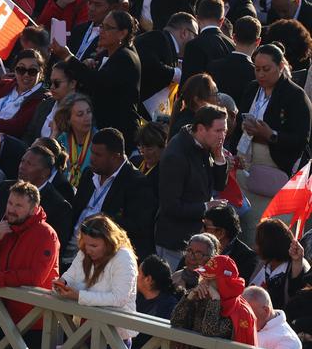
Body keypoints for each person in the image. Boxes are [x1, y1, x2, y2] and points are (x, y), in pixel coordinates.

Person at [0, 180, 61, 349]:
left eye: (19, 206)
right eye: (10, 204)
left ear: (34, 209)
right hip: (6, 315)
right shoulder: (6, 227)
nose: (11, 210)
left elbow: (36, 278)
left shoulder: (46, 234)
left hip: (37, 322)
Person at [236, 44, 312, 236]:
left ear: (280, 66)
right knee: (247, 222)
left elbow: (300, 139)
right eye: (257, 69)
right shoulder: (252, 88)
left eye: (266, 69)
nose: (261, 74)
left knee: (273, 226)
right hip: (247, 159)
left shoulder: (295, 95)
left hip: (276, 165)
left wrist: (271, 134)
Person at [55, 214, 138, 349]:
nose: (89, 249)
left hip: (114, 337)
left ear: (109, 241)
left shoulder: (124, 257)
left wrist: (78, 296)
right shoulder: (84, 251)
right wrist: (61, 284)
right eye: (85, 244)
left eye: (94, 245)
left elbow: (119, 298)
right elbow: (70, 276)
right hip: (88, 332)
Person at [170, 256, 265, 349]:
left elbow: (210, 331)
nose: (203, 282)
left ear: (223, 283)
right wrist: (189, 298)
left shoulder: (239, 311)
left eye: (209, 279)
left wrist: (215, 301)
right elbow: (176, 320)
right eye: (204, 278)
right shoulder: (201, 297)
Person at [155, 105, 229, 270]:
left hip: (195, 240)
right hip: (174, 242)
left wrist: (219, 157)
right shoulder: (177, 155)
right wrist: (205, 207)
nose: (222, 136)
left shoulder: (206, 146)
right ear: (201, 129)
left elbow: (219, 184)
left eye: (224, 130)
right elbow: (170, 206)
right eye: (218, 131)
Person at [57, 10, 143, 147]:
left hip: (117, 134)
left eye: (108, 28)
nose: (101, 31)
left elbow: (98, 82)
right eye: (101, 26)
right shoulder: (106, 54)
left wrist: (68, 57)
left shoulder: (125, 57)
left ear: (123, 33)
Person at [71, 128, 156, 257]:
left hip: (103, 255)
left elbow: (138, 227)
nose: (91, 159)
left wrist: (101, 220)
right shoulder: (89, 174)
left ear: (116, 157)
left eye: (98, 155)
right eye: (91, 153)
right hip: (72, 247)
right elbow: (75, 211)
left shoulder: (137, 183)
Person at [134, 255, 181, 349]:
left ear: (148, 279)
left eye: (139, 273)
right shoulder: (136, 298)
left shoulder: (170, 307)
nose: (135, 276)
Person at [0, 49, 48, 137]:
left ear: (41, 73)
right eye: (21, 69)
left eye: (32, 71)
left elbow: (16, 127)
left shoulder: (42, 98)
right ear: (15, 70)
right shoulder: (4, 84)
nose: (26, 75)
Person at [182, 0, 236, 82]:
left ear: (197, 19)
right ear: (221, 20)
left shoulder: (193, 45)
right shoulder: (232, 45)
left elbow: (188, 82)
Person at [205, 203, 259, 282]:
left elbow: (241, 288)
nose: (202, 231)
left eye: (206, 227)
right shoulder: (198, 248)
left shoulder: (246, 258)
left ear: (221, 232)